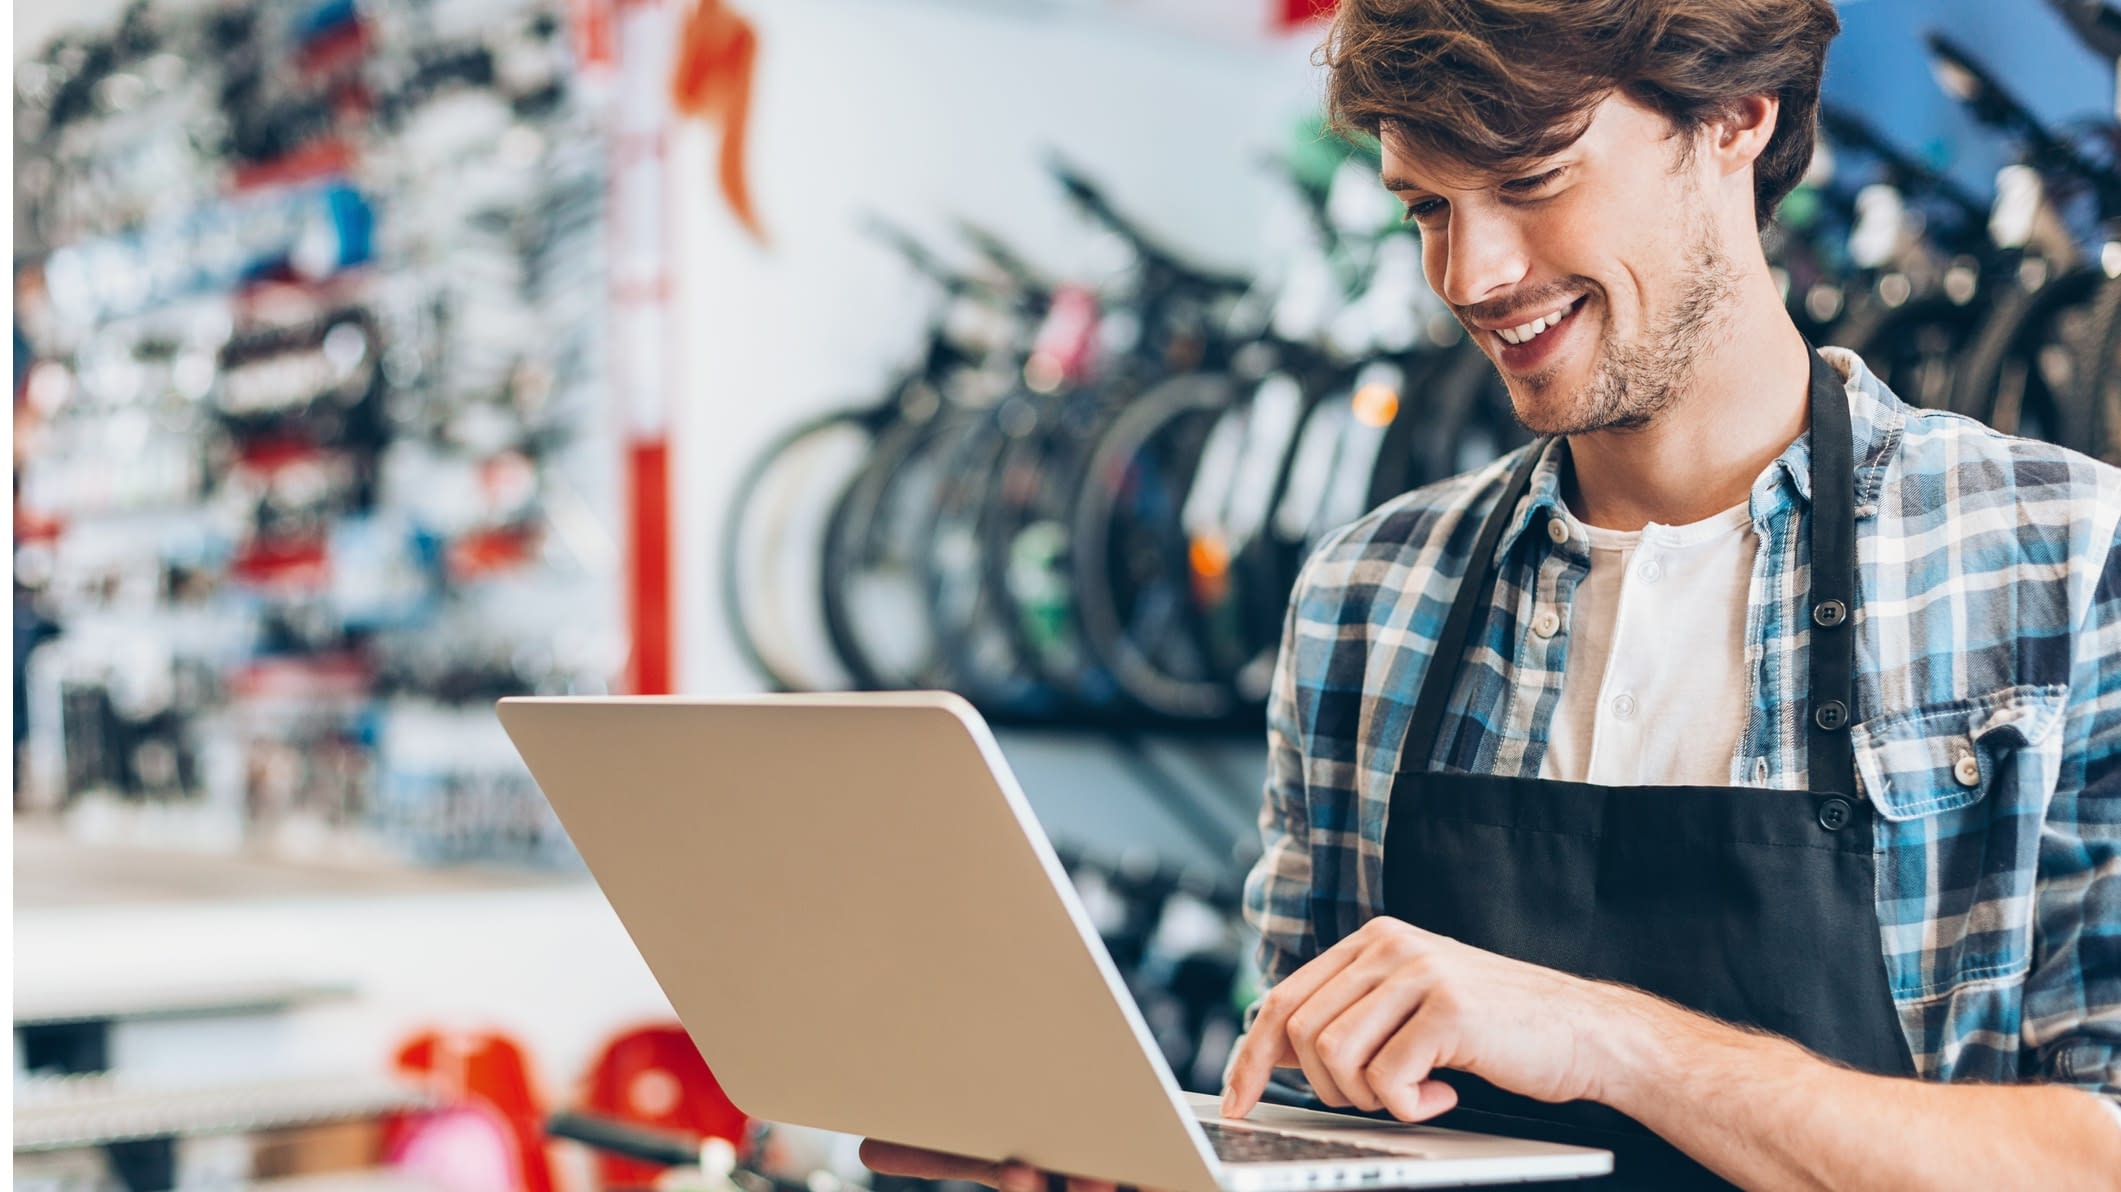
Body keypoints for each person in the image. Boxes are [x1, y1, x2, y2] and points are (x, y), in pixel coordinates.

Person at [866, 1, 2121, 1188]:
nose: (1472, 274)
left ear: (1738, 114)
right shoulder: (1368, 596)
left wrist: (1608, 1041)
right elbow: (1314, 1122)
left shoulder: (2061, 560)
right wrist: (1121, 1163)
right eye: (1427, 207)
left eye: (1532, 181)